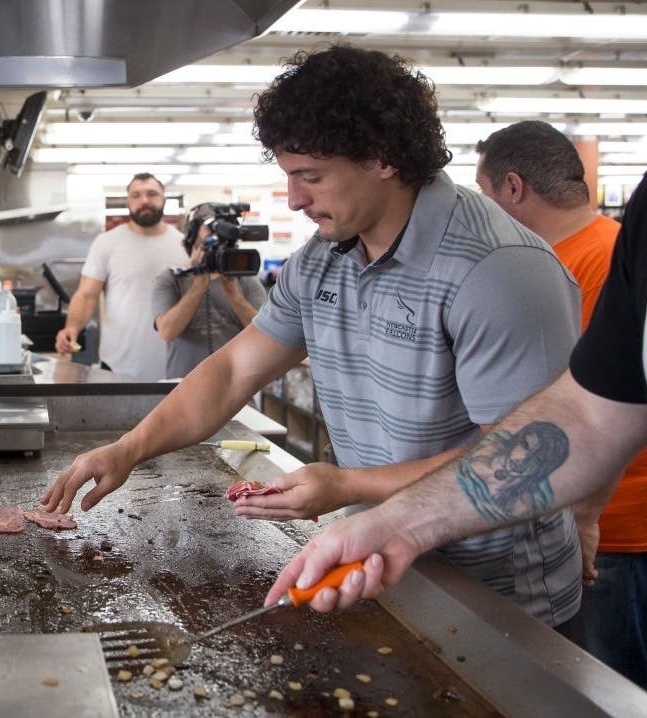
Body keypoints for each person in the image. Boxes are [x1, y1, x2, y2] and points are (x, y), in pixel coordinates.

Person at [43, 45, 585, 628]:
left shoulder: (498, 270)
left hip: (497, 598)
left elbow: (527, 458)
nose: (296, 200)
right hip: (378, 563)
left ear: (384, 158)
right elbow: (233, 371)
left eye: (311, 177)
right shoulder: (325, 258)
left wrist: (347, 484)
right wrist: (129, 449)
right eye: (290, 177)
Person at [267, 132, 647, 715]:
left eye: (310, 175)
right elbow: (586, 419)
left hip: (537, 563)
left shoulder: (512, 264)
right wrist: (398, 523)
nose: (294, 199)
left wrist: (589, 515)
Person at [476, 120, 647, 690]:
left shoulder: (590, 262)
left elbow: (595, 408)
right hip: (593, 510)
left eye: (485, 195)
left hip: (612, 521)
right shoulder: (584, 251)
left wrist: (585, 516)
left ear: (513, 188)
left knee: (607, 684)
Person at [54, 173, 186, 380]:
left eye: (152, 194)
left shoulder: (184, 245)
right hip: (118, 367)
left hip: (175, 368)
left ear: (164, 199)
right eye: (136, 195)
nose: (144, 200)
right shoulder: (107, 242)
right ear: (128, 201)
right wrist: (72, 328)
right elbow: (87, 295)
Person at [150, 203, 267, 378]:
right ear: (191, 236)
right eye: (210, 229)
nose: (216, 237)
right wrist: (197, 288)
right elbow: (167, 332)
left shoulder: (246, 280)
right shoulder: (170, 279)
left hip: (236, 388)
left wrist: (235, 296)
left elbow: (266, 335)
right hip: (184, 388)